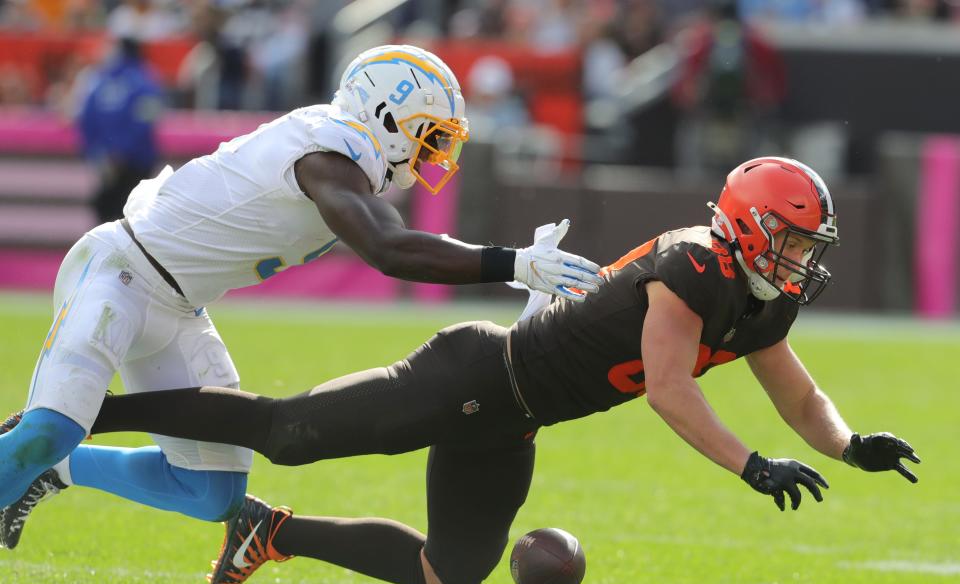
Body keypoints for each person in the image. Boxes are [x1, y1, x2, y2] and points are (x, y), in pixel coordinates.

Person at [2, 156, 920, 584]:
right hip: (477, 371)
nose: (803, 261)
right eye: (795, 242)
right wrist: (750, 465)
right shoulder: (693, 267)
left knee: (451, 579)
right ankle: (82, 416)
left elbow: (798, 394)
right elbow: (672, 390)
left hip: (511, 420)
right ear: (753, 230)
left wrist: (846, 442)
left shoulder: (761, 302)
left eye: (809, 247)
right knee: (284, 431)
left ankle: (271, 533)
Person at [0, 44, 602, 544]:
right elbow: (388, 249)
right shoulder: (330, 147)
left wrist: (512, 265)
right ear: (389, 116)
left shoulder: (346, 157)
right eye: (430, 135)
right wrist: (512, 263)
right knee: (47, 427)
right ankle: (40, 452)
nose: (434, 153)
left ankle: (56, 469)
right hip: (121, 272)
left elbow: (400, 237)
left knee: (210, 493)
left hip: (177, 305)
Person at [76, 35, 164, 223]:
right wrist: (123, 151)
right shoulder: (146, 80)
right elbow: (147, 120)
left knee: (105, 212)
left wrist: (98, 151)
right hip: (137, 161)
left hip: (109, 161)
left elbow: (85, 118)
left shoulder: (98, 80)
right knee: (134, 216)